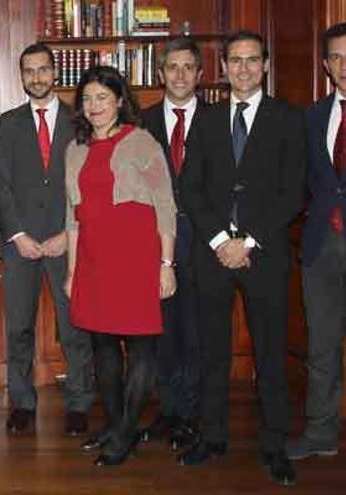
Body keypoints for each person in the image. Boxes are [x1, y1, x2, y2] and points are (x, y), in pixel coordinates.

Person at [179, 31, 306, 487]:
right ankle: (212, 438)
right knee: (211, 353)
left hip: (264, 255)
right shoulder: (207, 120)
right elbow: (189, 187)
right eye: (236, 60)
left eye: (253, 60)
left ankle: (275, 446)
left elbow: (293, 192)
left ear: (265, 65)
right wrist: (219, 240)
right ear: (224, 67)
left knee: (270, 356)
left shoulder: (289, 119)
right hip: (212, 254)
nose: (245, 68)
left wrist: (247, 240)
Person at [64, 65, 177, 466]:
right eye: (88, 98)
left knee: (142, 346)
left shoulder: (142, 142)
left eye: (103, 98)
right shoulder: (74, 149)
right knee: (104, 346)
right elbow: (71, 217)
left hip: (137, 256)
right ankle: (114, 423)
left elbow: (165, 205)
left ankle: (127, 432)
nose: (94, 106)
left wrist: (167, 263)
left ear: (119, 101)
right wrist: (73, 271)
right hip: (94, 258)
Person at [0, 42, 94, 436]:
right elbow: (1, 185)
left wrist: (69, 236)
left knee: (74, 327)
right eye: (28, 71)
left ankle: (80, 403)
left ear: (55, 73)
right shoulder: (9, 122)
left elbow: (88, 185)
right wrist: (17, 234)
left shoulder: (80, 119)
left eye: (42, 70)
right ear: (22, 77)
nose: (36, 77)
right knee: (18, 326)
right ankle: (21, 402)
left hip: (66, 241)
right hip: (20, 244)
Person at [139, 37, 206, 450]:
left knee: (196, 332)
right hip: (152, 247)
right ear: (160, 74)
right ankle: (169, 409)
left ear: (199, 75)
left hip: (202, 243)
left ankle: (192, 415)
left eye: (188, 67)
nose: (179, 75)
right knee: (162, 332)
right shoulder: (142, 123)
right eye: (172, 68)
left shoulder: (218, 121)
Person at [287, 21, 346, 462]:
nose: (345, 66)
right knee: (322, 345)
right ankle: (321, 432)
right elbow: (301, 182)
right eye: (337, 58)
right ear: (326, 65)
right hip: (321, 246)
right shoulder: (311, 117)